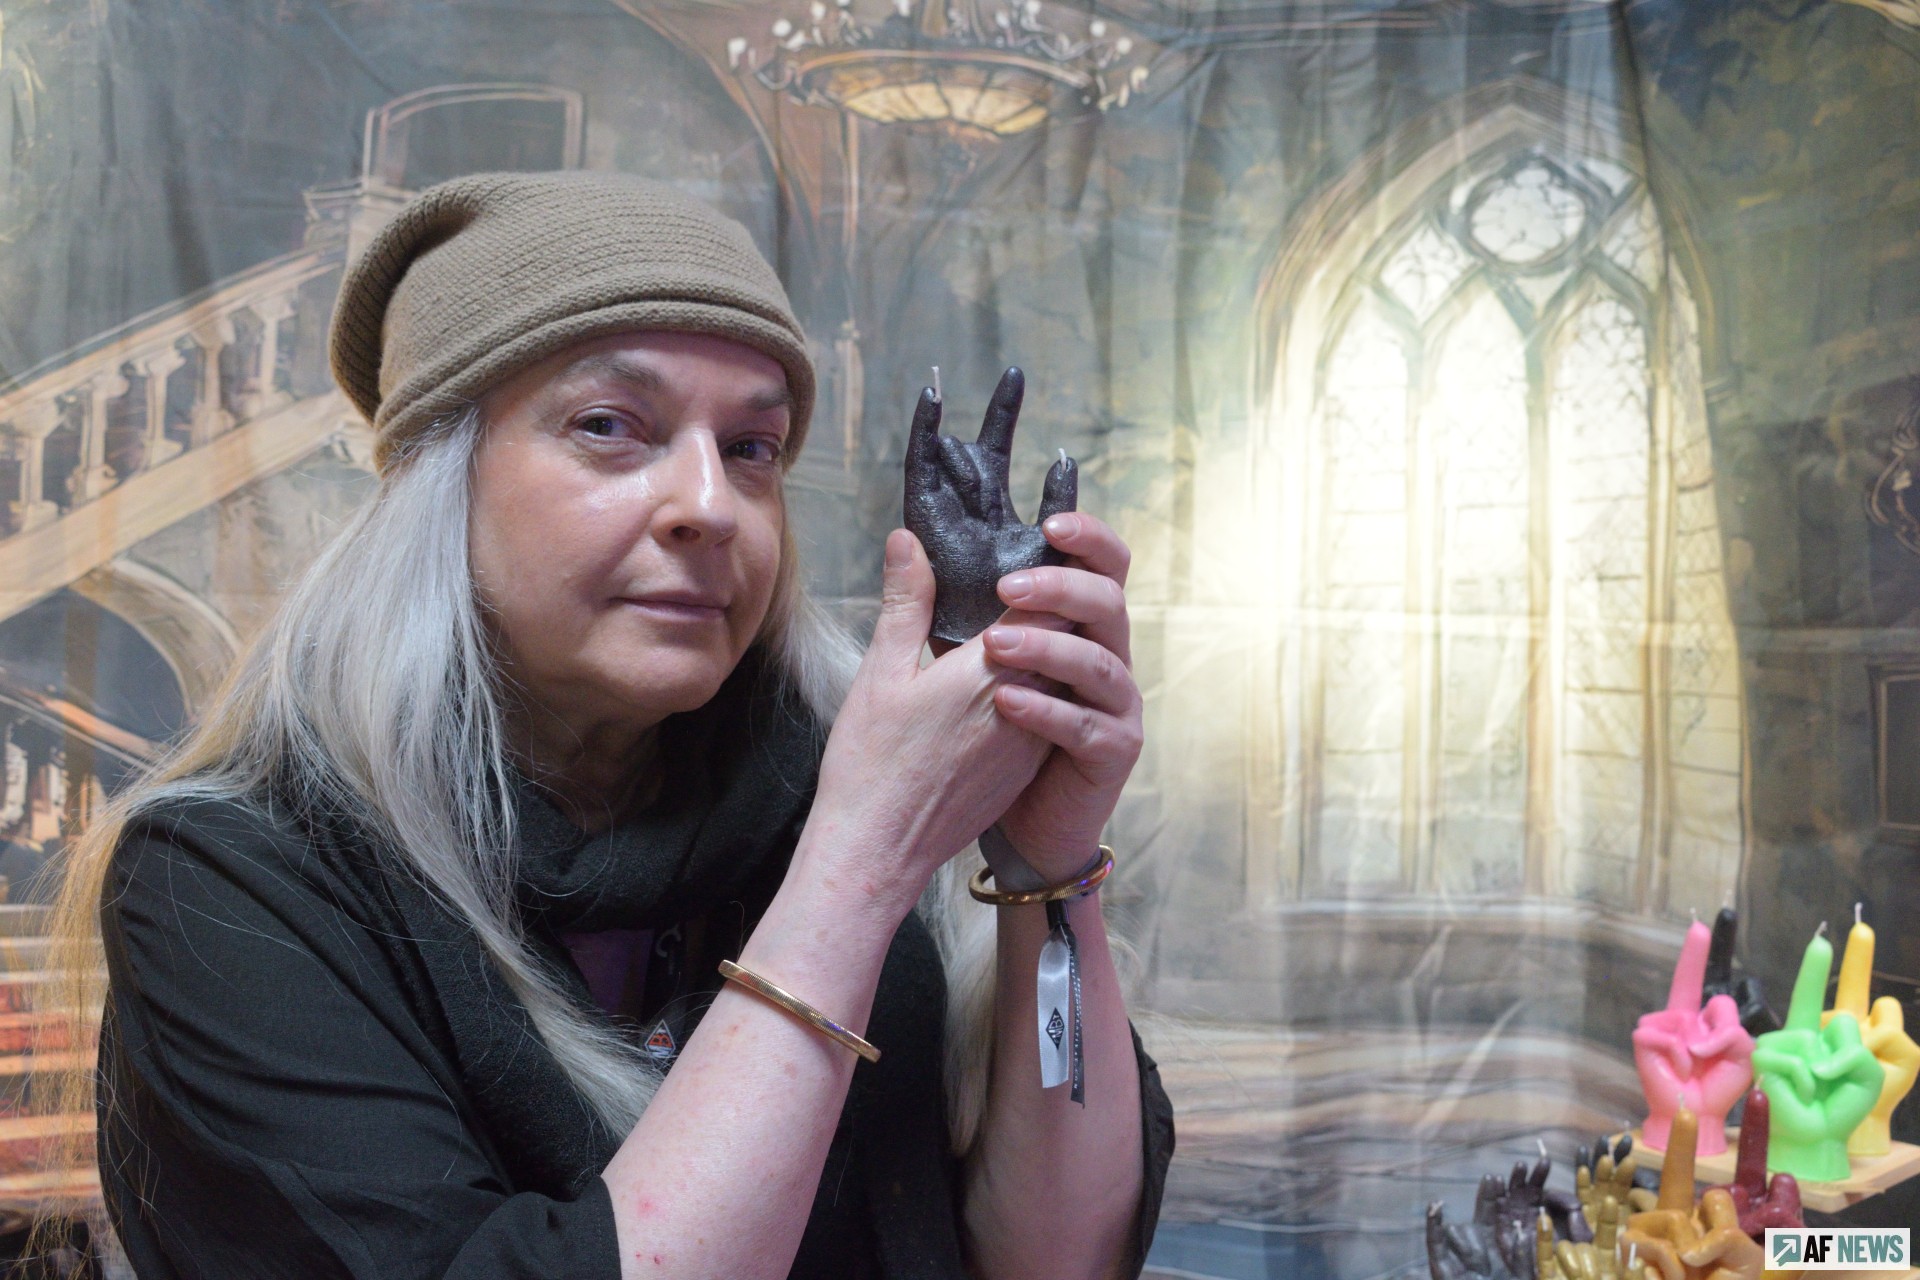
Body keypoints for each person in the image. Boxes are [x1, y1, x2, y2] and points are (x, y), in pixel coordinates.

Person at [48, 171, 1174, 1279]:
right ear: (443, 480)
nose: (710, 505)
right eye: (609, 426)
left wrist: (1045, 864)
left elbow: (1057, 1262)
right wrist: (861, 863)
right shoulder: (230, 877)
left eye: (752, 448)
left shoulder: (848, 784)